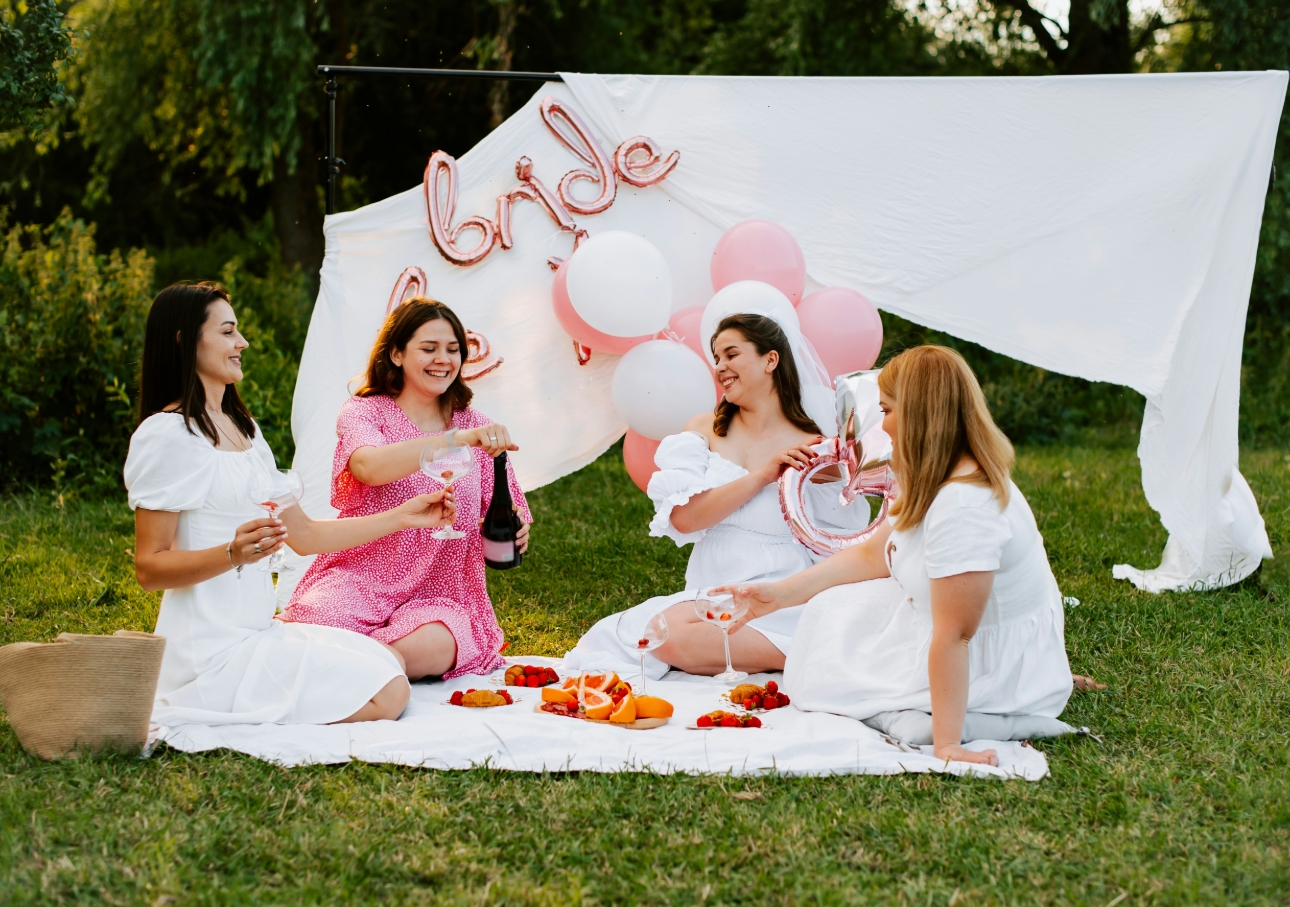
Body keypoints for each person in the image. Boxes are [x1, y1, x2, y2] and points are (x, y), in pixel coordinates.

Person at [722, 346, 1074, 766]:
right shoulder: (933, 473)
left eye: (887, 409)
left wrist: (947, 746)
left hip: (989, 664)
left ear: (921, 413)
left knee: (828, 673)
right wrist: (777, 595)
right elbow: (875, 553)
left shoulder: (964, 507)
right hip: (943, 623)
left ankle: (965, 714)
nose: (882, 424)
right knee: (827, 617)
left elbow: (955, 636)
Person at [126, 282, 457, 727]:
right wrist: (232, 554)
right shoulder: (166, 435)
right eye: (227, 332)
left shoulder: (244, 429)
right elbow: (149, 568)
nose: (241, 342)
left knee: (385, 663)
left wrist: (404, 517)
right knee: (389, 693)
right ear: (186, 340)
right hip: (208, 651)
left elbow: (305, 536)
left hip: (260, 632)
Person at [563, 312, 868, 679]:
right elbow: (686, 518)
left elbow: (839, 538)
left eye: (731, 354)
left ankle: (804, 651)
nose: (720, 366)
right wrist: (763, 475)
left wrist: (828, 473)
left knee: (669, 637)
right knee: (641, 633)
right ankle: (812, 655)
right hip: (713, 588)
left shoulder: (812, 445)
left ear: (771, 360)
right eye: (716, 358)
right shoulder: (705, 429)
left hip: (779, 590)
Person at [278, 298, 532, 681]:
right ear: (396, 354)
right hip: (360, 575)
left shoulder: (478, 426)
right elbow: (369, 466)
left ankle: (344, 669)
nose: (443, 360)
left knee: (435, 645)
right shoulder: (366, 413)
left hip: (442, 594)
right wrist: (455, 439)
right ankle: (349, 668)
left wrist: (513, 533)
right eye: (428, 349)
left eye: (452, 350)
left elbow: (498, 521)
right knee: (314, 626)